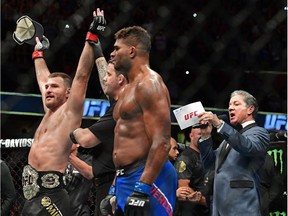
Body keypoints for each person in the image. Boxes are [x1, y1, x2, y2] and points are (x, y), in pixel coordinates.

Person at [21, 8, 105, 216]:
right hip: (31, 194)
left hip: (52, 197)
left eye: (54, 87)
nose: (48, 90)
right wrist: (37, 52)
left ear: (68, 93)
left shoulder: (69, 113)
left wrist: (91, 37)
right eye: (47, 88)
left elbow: (82, 76)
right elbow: (42, 78)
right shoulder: (49, 111)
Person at [110, 25, 178, 216]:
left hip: (149, 176)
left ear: (132, 51)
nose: (112, 53)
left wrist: (142, 187)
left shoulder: (150, 84)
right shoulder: (128, 88)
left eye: (117, 48)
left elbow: (162, 142)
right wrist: (114, 188)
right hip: (125, 177)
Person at [69, 13, 128, 216]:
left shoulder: (120, 111)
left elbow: (85, 140)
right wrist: (94, 39)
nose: (104, 79)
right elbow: (105, 73)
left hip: (116, 185)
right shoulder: (122, 100)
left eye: (110, 76)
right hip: (110, 181)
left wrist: (71, 132)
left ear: (120, 80)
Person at [197, 90, 270, 216]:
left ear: (250, 109)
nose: (230, 108)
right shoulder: (229, 139)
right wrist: (205, 137)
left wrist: (219, 124)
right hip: (219, 207)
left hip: (242, 206)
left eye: (236, 104)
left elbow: (248, 147)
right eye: (229, 105)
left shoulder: (259, 132)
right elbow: (210, 164)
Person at [174, 127, 210, 216]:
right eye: (199, 134)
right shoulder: (185, 158)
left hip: (205, 210)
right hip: (190, 210)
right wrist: (206, 201)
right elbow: (184, 191)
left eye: (204, 135)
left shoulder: (207, 156)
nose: (202, 137)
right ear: (191, 136)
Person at [65, 144, 93, 215]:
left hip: (79, 209)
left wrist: (68, 155)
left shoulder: (87, 159)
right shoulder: (56, 161)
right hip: (58, 207)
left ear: (78, 144)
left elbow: (90, 173)